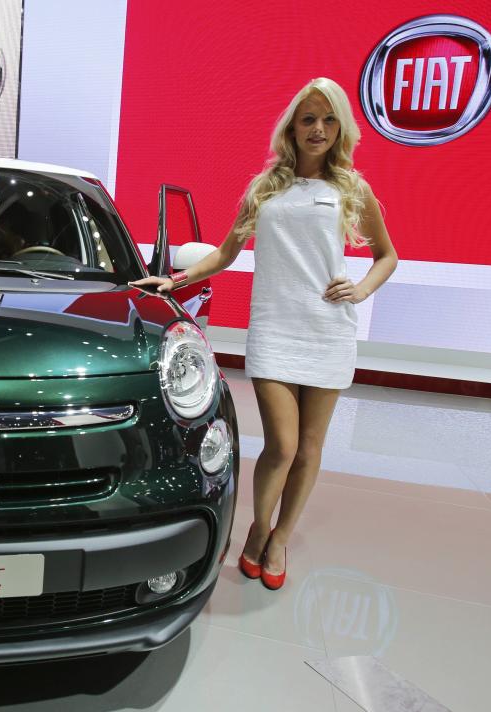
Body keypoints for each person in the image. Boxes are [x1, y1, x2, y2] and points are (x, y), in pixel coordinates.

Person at [131, 77, 398, 590]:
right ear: (292, 127)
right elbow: (226, 254)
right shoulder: (265, 188)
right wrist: (177, 279)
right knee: (282, 444)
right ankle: (257, 527)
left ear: (340, 127)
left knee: (311, 448)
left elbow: (387, 256)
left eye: (328, 119)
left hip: (329, 329)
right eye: (308, 119)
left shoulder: (351, 188)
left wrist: (361, 289)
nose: (318, 129)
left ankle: (279, 539)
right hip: (275, 328)